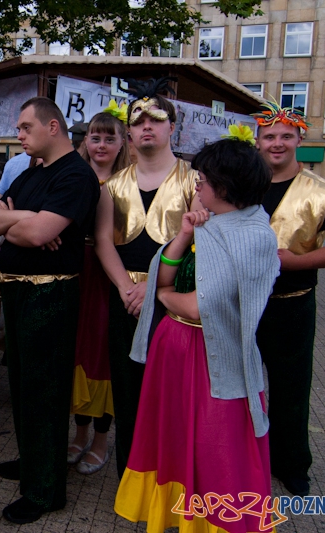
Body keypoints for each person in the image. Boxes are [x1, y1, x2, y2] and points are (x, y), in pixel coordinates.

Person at [114, 138, 280, 533]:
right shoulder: (208, 224)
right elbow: (165, 272)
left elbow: (198, 306)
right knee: (176, 439)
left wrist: (165, 296)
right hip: (176, 351)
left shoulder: (254, 235)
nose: (196, 187)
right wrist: (186, 233)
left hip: (213, 360)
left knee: (215, 447)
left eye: (203, 180)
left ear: (225, 185)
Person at [0, 97, 99, 524]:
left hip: (50, 295)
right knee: (21, 386)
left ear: (53, 127)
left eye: (25, 127)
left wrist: (28, 224)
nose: (19, 134)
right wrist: (27, 220)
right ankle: (33, 462)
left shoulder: (76, 175)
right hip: (17, 294)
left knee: (44, 393)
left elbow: (38, 235)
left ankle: (46, 490)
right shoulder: (32, 172)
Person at [252, 100, 325, 496]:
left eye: (285, 136)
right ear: (258, 141)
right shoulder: (243, 181)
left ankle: (292, 464)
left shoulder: (320, 192)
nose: (277, 143)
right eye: (269, 137)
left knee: (290, 388)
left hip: (291, 304)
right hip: (239, 304)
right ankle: (240, 454)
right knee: (235, 384)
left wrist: (299, 262)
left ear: (300, 139)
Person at [95, 78, 201, 478]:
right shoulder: (113, 185)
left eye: (156, 119)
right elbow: (104, 240)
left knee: (173, 393)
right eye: (137, 121)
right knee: (127, 389)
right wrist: (126, 287)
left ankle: (173, 477)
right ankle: (131, 475)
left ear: (173, 127)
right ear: (129, 133)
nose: (146, 127)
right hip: (125, 300)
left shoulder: (195, 180)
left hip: (173, 302)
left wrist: (151, 288)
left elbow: (199, 245)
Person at [68, 104, 131, 475]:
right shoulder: (74, 176)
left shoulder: (130, 183)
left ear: (123, 142)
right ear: (86, 140)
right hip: (77, 271)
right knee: (77, 350)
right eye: (96, 136)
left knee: (104, 354)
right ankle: (78, 433)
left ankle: (103, 439)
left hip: (110, 275)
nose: (102, 144)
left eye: (110, 137)